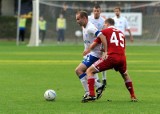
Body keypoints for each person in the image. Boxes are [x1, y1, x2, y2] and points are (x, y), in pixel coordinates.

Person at [83, 18, 137, 102]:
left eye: (104, 25)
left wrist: (87, 50)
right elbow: (120, 47)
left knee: (89, 70)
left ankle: (91, 95)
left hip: (111, 57)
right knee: (125, 75)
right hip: (122, 57)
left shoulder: (105, 32)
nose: (103, 26)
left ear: (107, 24)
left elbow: (94, 44)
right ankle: (133, 96)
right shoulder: (121, 33)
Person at [75, 10, 107, 102]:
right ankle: (98, 86)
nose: (77, 21)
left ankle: (88, 92)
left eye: (78, 19)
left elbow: (102, 36)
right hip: (90, 54)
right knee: (85, 72)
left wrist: (105, 51)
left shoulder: (90, 28)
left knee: (79, 70)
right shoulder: (83, 26)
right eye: (76, 19)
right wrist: (86, 49)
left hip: (95, 54)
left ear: (84, 18)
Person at [88, 4, 107, 87]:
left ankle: (104, 78)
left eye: (98, 11)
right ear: (93, 11)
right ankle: (96, 79)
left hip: (98, 44)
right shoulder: (88, 19)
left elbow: (104, 33)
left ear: (100, 11)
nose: (96, 12)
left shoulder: (103, 21)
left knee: (101, 61)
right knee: (90, 62)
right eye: (95, 11)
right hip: (89, 44)